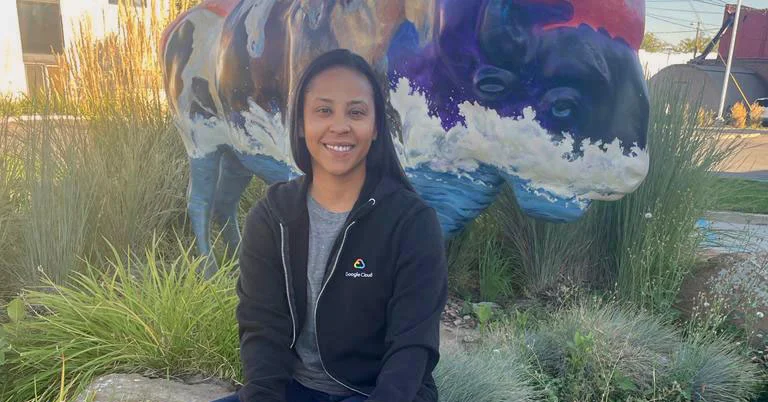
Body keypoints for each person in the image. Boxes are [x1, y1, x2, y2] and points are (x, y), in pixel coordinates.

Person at [212, 48, 448, 402]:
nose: (340, 126)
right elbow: (262, 330)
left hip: (380, 393)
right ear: (302, 123)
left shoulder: (413, 223)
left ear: (376, 127)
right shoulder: (272, 216)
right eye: (324, 110)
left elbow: (412, 345)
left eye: (356, 112)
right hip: (295, 390)